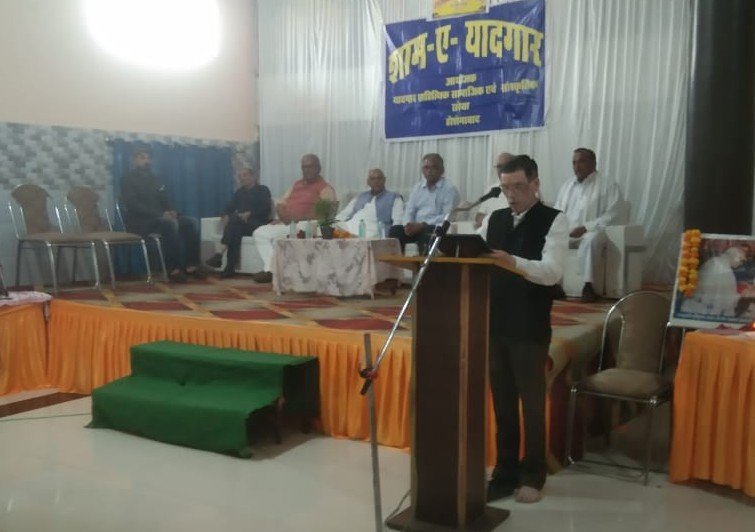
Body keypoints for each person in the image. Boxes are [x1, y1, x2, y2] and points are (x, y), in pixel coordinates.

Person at [481, 155, 568, 504]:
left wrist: (511, 261)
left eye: (518, 187)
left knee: (531, 404)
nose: (511, 194)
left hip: (529, 325)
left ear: (535, 184)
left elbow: (552, 271)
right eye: (505, 188)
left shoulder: (554, 220)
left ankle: (533, 474)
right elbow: (474, 254)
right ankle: (504, 472)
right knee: (502, 402)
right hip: (495, 322)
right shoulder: (495, 219)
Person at [120, 146, 204, 283]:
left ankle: (191, 266)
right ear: (134, 160)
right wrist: (160, 214)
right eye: (142, 158)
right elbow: (133, 205)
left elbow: (164, 199)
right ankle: (173, 269)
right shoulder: (127, 179)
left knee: (191, 222)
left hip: (159, 219)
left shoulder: (154, 178)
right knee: (170, 224)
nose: (146, 161)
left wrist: (172, 211)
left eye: (148, 158)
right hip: (140, 222)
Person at [250, 154, 336, 283]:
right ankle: (273, 269)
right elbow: (281, 204)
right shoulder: (296, 184)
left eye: (310, 167)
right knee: (260, 232)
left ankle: (272, 270)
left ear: (318, 168)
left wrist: (297, 218)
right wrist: (283, 215)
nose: (306, 170)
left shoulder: (325, 188)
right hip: (287, 222)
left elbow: (326, 213)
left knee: (271, 236)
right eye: (304, 167)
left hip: (306, 224)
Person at [553, 148, 624, 302]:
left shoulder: (608, 184)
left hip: (595, 231)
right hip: (568, 232)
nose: (577, 166)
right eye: (574, 162)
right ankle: (554, 285)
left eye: (581, 162)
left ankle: (588, 286)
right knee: (550, 240)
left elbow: (614, 214)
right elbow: (557, 212)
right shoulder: (567, 186)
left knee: (590, 241)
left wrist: (586, 227)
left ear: (593, 163)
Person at [205, 167, 272, 278]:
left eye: (244, 175)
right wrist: (225, 215)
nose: (242, 178)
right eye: (240, 176)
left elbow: (266, 208)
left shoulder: (262, 190)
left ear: (253, 176)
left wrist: (250, 213)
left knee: (234, 222)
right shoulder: (239, 192)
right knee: (235, 228)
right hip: (241, 224)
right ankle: (229, 268)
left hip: (258, 223)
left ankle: (219, 255)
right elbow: (229, 206)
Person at [388, 153, 460, 252]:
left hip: (433, 228)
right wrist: (407, 225)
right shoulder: (417, 188)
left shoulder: (449, 189)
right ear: (422, 170)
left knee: (429, 232)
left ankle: (424, 261)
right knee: (395, 231)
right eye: (426, 168)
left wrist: (422, 225)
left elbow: (448, 216)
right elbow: (409, 210)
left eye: (433, 167)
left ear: (442, 170)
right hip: (415, 228)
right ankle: (397, 262)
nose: (429, 171)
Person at [680, 246, 755, 317]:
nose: (741, 264)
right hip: (705, 309)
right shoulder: (723, 268)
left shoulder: (715, 261)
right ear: (735, 256)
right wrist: (742, 295)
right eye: (741, 260)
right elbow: (725, 299)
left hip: (697, 305)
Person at [335, 168, 404, 238]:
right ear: (368, 182)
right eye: (372, 179)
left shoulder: (394, 197)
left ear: (384, 180)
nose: (376, 181)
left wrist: (392, 236)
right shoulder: (360, 196)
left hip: (373, 232)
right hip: (349, 228)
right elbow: (344, 214)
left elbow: (398, 221)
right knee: (331, 226)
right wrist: (333, 223)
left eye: (379, 178)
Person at [474, 152, 513, 229]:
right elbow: (479, 217)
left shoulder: (522, 190)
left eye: (504, 166)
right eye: (498, 167)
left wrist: (489, 219)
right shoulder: (492, 189)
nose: (501, 169)